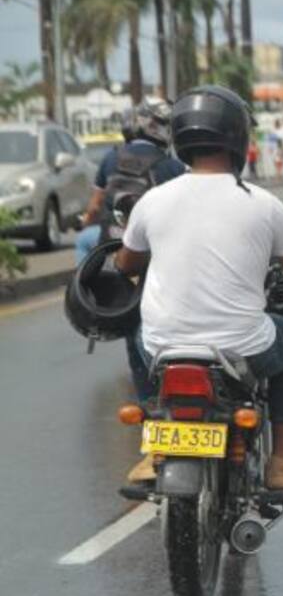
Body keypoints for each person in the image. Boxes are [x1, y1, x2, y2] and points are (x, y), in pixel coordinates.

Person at [114, 85, 283, 491]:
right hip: (242, 347)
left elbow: (125, 264)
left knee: (137, 334)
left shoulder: (152, 201)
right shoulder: (265, 204)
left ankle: (153, 448)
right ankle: (281, 463)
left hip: (164, 346)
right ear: (239, 138)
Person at [75, 100, 188, 404]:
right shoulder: (171, 166)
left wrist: (85, 222)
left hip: (118, 256)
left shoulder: (111, 159)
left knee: (131, 332)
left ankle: (147, 402)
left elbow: (96, 205)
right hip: (160, 257)